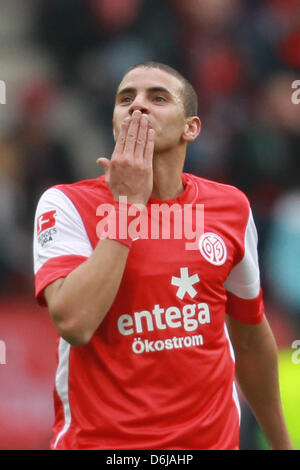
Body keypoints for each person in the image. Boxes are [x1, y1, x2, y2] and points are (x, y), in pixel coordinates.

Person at [33, 61, 293, 450]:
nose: (138, 105)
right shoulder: (66, 204)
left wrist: (282, 445)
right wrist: (127, 209)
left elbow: (252, 340)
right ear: (115, 122)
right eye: (126, 99)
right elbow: (74, 322)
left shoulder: (230, 207)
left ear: (191, 127)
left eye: (157, 97)